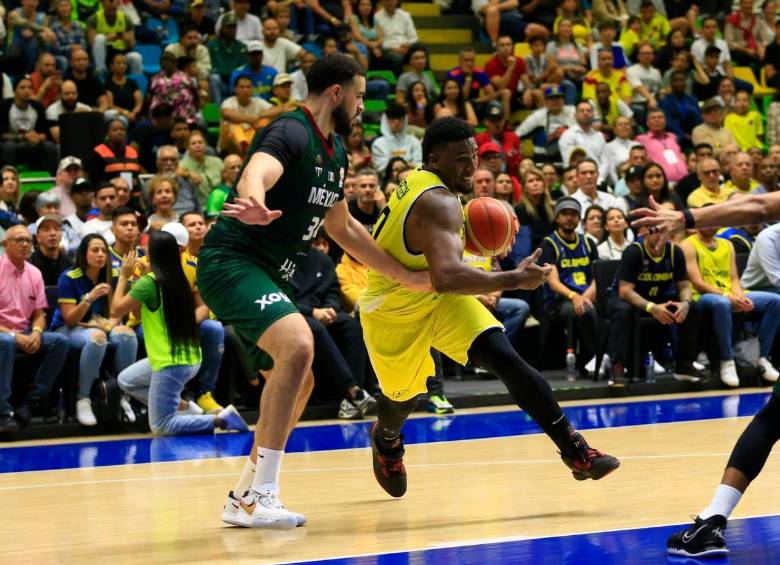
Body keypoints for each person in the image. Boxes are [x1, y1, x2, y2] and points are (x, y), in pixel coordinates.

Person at [198, 53, 430, 529]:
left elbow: (345, 229)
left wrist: (405, 275)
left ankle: (246, 494)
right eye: (361, 97)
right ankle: (262, 493)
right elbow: (257, 170)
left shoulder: (336, 153)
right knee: (301, 344)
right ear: (337, 94)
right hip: (233, 263)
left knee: (300, 375)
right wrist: (256, 200)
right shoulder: (292, 130)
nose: (364, 107)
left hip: (269, 275)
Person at [359, 116, 618, 501]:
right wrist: (513, 278)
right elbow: (447, 275)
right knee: (403, 401)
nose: (471, 167)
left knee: (506, 358)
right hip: (392, 308)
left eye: (474, 156)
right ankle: (386, 440)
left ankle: (574, 449)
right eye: (460, 159)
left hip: (438, 299)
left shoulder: (423, 180)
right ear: (433, 159)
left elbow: (439, 265)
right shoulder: (438, 201)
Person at [113, 232, 247, 435]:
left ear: (154, 253)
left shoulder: (149, 283)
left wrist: (124, 276)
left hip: (170, 362)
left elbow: (116, 310)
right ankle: (184, 406)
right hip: (186, 357)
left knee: (161, 426)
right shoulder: (177, 276)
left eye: (147, 247)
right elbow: (140, 312)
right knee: (126, 380)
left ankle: (220, 420)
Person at [50, 234, 138, 426]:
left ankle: (123, 395)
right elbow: (70, 319)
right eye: (95, 250)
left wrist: (109, 325)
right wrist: (88, 299)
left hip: (98, 325)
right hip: (67, 330)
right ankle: (84, 398)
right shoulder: (69, 277)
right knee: (97, 337)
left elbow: (116, 313)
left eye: (104, 251)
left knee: (127, 335)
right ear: (84, 254)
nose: (100, 254)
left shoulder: (111, 276)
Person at [681, 225, 780, 387]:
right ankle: (727, 360)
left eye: (715, 221)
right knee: (722, 303)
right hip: (703, 296)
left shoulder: (726, 244)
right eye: (707, 221)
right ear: (699, 224)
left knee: (775, 301)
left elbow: (734, 279)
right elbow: (697, 282)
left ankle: (762, 358)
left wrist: (739, 296)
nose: (711, 225)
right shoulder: (688, 245)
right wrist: (728, 296)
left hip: (730, 293)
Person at [607, 224, 700, 385]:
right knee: (624, 310)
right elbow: (625, 291)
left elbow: (684, 286)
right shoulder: (634, 251)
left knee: (693, 307)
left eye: (662, 230)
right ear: (643, 232)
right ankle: (618, 365)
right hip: (623, 299)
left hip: (658, 298)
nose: (658, 235)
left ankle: (684, 364)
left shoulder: (674, 252)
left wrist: (685, 303)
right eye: (654, 230)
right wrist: (652, 308)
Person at [0, 225, 70, 431]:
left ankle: (33, 401)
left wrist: (38, 332)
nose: (24, 245)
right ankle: (3, 411)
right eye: (18, 240)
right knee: (5, 342)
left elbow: (39, 314)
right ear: (5, 245)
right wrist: (14, 336)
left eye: (27, 241)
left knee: (60, 341)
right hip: (4, 334)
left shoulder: (34, 273)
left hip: (24, 331)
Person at [540, 197, 602, 375]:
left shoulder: (588, 243)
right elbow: (553, 282)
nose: (569, 218)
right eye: (565, 214)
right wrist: (575, 297)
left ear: (579, 219)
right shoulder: (549, 244)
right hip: (560, 301)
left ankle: (611, 358)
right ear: (557, 218)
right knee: (585, 310)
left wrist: (587, 295)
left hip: (586, 296)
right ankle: (597, 358)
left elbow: (597, 278)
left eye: (573, 214)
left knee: (612, 308)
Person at [0, 76, 59, 176]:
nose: (26, 91)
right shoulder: (5, 106)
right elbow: (1, 135)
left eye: (29, 88)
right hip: (14, 145)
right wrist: (23, 136)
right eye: (22, 88)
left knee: (50, 147)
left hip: (33, 145)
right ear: (14, 91)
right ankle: (10, 178)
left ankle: (50, 177)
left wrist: (38, 137)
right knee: (7, 147)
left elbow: (45, 134)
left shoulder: (37, 107)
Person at [635, 109, 688, 183]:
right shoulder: (641, 140)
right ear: (647, 122)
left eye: (660, 117)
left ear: (665, 121)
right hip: (663, 182)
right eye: (653, 118)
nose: (657, 120)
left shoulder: (672, 137)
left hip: (685, 179)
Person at [371, 102, 422, 174]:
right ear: (385, 120)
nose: (396, 122)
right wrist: (407, 165)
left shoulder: (414, 141)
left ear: (405, 120)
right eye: (392, 118)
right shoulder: (378, 143)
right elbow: (380, 167)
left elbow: (420, 165)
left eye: (400, 118)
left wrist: (402, 166)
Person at [207, 12, 246, 107]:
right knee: (214, 78)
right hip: (220, 82)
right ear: (222, 28)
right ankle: (217, 112)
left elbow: (243, 69)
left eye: (234, 27)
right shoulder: (212, 45)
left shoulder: (242, 47)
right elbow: (211, 67)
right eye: (229, 27)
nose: (232, 30)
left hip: (236, 83)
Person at [89, 118, 141, 185]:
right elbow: (94, 178)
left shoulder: (133, 152)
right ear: (107, 134)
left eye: (122, 130)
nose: (119, 132)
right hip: (109, 191)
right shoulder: (99, 151)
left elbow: (136, 175)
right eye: (115, 130)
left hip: (130, 192)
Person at [374, 0, 418, 76]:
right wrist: (394, 49)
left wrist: (407, 45)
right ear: (382, 2)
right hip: (388, 49)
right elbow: (380, 40)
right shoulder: (376, 17)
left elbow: (414, 37)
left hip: (406, 46)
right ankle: (399, 84)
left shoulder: (405, 15)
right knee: (397, 58)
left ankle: (425, 80)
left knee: (421, 47)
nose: (390, 2)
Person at [558, 101, 605, 167]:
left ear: (593, 115)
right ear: (575, 115)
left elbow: (605, 161)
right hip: (577, 174)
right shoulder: (568, 135)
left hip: (598, 175)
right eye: (582, 111)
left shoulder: (599, 136)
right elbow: (569, 162)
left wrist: (600, 176)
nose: (585, 113)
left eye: (589, 111)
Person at [30, 214, 72, 285]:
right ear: (37, 237)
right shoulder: (30, 266)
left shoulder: (69, 265)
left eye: (57, 229)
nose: (53, 233)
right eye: (46, 230)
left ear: (61, 235)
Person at [104, 52, 143, 126]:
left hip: (134, 115)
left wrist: (133, 113)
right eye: (118, 63)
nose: (122, 66)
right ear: (112, 66)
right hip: (118, 115)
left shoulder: (132, 83)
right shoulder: (108, 84)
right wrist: (126, 113)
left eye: (124, 63)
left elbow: (139, 103)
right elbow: (111, 105)